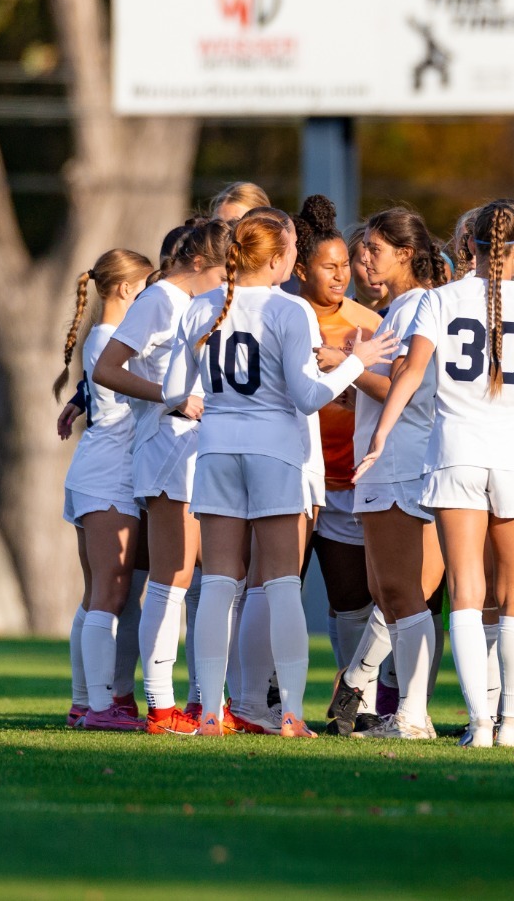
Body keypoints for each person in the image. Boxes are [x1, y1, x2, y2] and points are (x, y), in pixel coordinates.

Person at [362, 200, 514, 749]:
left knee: (466, 593)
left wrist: (380, 435)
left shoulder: (439, 299)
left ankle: (480, 726)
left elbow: (411, 372)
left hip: (454, 452)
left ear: (468, 245)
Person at [165, 210, 391, 739]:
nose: (295, 260)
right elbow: (308, 396)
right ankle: (290, 713)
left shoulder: (200, 307)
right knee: (282, 582)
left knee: (220, 583)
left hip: (217, 451)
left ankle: (210, 714)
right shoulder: (290, 310)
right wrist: (357, 362)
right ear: (275, 259)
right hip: (275, 454)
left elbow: (179, 391)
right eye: (291, 251)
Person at [91, 219, 229, 733]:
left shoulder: (197, 304)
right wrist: (169, 398)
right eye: (221, 271)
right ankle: (161, 706)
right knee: (172, 579)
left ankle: (196, 703)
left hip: (196, 448)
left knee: (193, 578)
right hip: (165, 447)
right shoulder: (158, 300)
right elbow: (107, 367)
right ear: (198, 263)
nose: (225, 283)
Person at [287, 196, 389, 735]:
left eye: (346, 265)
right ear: (300, 269)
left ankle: (359, 703)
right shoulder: (284, 314)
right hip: (296, 476)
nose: (341, 275)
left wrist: (353, 378)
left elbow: (389, 391)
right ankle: (268, 695)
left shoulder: (367, 322)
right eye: (329, 267)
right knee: (279, 585)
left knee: (351, 599)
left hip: (349, 479)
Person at [348, 206, 451, 741]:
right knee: (388, 591)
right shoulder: (396, 310)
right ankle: (404, 709)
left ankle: (412, 715)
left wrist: (343, 366)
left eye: (375, 250)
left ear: (407, 254)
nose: (363, 260)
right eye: (362, 249)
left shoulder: (417, 307)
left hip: (403, 460)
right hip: (385, 463)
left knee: (402, 591)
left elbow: (402, 390)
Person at [57, 248, 156, 732]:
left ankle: (90, 701)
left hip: (103, 470)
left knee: (103, 592)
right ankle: (98, 706)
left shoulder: (104, 337)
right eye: (145, 287)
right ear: (123, 289)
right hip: (110, 474)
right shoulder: (112, 339)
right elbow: (133, 402)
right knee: (109, 593)